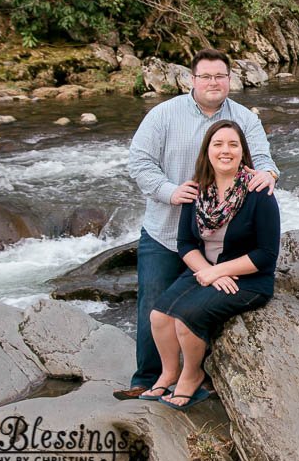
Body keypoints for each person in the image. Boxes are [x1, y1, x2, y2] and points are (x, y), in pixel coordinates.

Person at [115, 48, 279, 400]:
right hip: (166, 227)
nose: (213, 82)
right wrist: (171, 192)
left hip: (222, 238)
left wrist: (269, 175)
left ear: (230, 79)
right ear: (192, 79)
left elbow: (262, 158)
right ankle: (148, 378)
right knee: (155, 306)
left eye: (220, 76)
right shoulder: (163, 114)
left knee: (196, 307)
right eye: (205, 76)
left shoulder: (245, 120)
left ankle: (201, 376)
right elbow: (140, 162)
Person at [141, 120, 279, 409]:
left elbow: (266, 254)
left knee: (186, 318)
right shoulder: (197, 190)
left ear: (243, 152)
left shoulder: (258, 192)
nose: (225, 151)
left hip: (248, 277)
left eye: (233, 144)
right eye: (218, 144)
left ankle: (193, 375)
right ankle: (169, 373)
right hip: (207, 270)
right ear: (207, 151)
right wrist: (207, 271)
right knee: (158, 317)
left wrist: (218, 272)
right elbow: (185, 244)